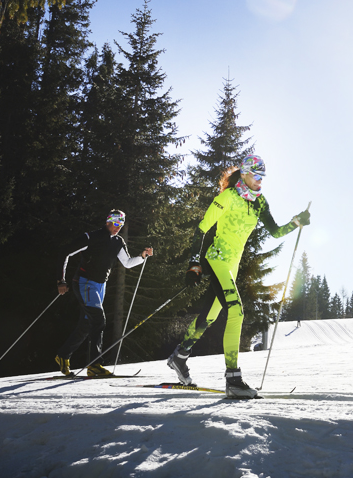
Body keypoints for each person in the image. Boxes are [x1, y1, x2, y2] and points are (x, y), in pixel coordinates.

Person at [167, 154, 309, 398]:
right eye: (256, 175)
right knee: (236, 311)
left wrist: (296, 222)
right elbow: (201, 229)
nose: (260, 180)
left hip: (232, 265)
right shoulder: (228, 197)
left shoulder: (259, 202)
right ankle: (233, 379)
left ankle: (179, 357)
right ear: (243, 173)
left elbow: (274, 232)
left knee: (209, 317)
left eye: (263, 176)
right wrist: (194, 264)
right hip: (217, 258)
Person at [55, 209, 153, 377]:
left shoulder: (118, 241)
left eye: (120, 225)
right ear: (107, 222)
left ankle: (63, 356)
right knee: (99, 320)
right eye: (115, 223)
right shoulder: (91, 237)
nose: (117, 227)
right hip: (84, 283)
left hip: (101, 285)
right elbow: (65, 253)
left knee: (87, 324)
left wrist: (142, 256)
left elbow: (127, 263)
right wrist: (61, 280)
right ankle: (95, 365)